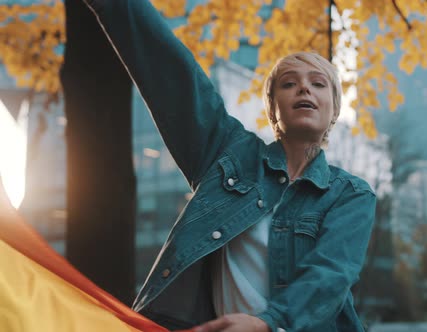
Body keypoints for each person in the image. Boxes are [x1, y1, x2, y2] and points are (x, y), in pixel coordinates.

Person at [83, 0, 376, 331]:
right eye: (289, 83)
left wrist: (267, 324)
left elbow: (330, 276)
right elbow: (175, 76)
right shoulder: (229, 155)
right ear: (273, 108)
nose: (304, 87)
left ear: (334, 110)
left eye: (318, 83)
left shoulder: (351, 195)